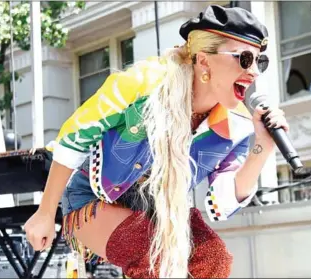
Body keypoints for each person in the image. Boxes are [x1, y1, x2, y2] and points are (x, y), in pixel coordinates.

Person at [24, 5, 289, 279]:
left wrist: (262, 149)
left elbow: (220, 207)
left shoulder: (238, 124)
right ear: (204, 59)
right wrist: (45, 213)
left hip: (162, 210)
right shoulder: (144, 84)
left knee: (214, 261)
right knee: (153, 260)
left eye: (261, 61)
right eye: (245, 59)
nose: (255, 71)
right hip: (93, 197)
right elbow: (74, 139)